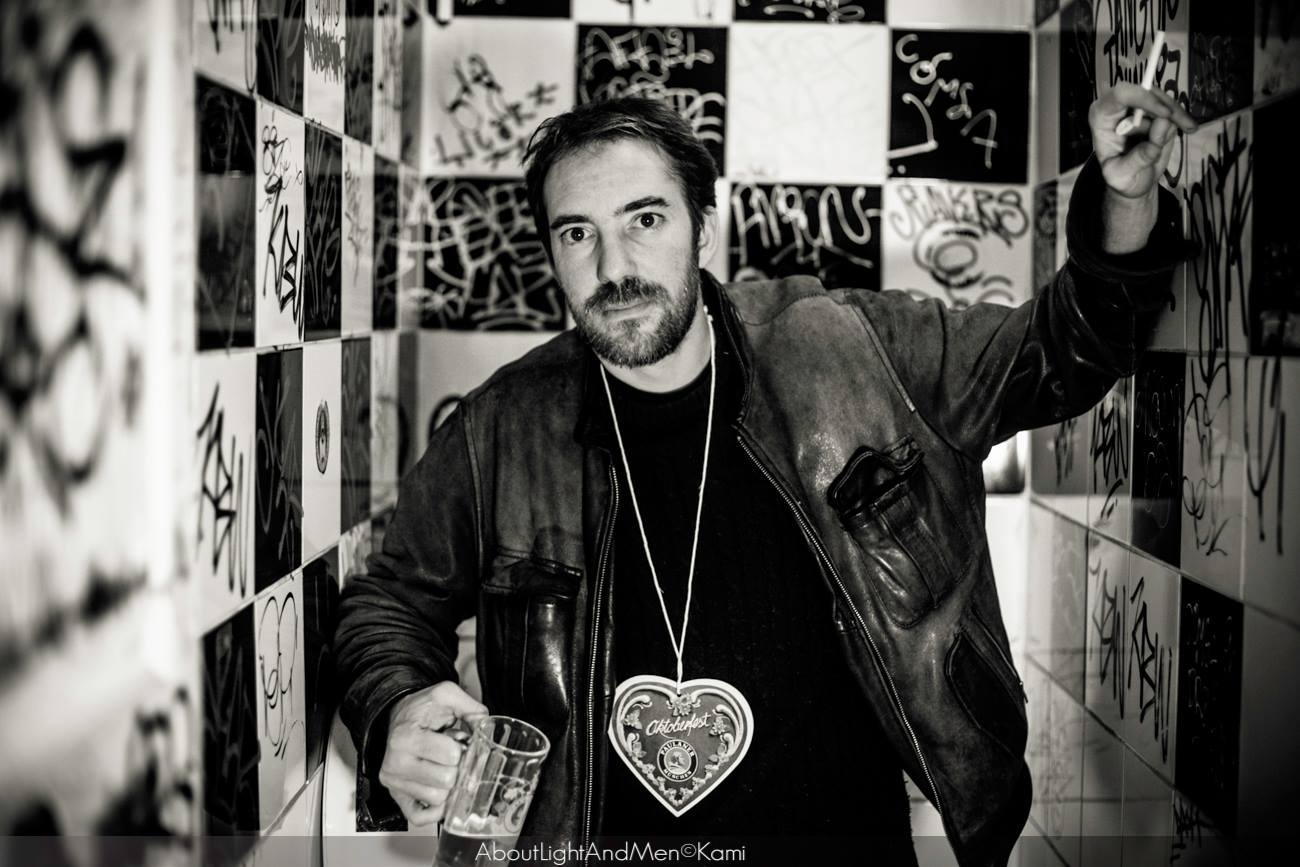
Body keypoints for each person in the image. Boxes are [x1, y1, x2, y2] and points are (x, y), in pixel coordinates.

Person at [334, 88, 1196, 865]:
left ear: (703, 229)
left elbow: (1061, 352)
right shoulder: (502, 425)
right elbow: (389, 601)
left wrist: (1123, 198)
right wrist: (398, 702)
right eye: (577, 232)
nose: (613, 266)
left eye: (645, 219)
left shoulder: (861, 350)